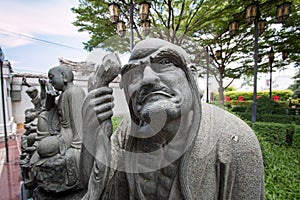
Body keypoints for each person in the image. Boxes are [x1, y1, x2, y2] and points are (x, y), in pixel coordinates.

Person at [81, 38, 265, 199]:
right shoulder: (128, 131)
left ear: (191, 76)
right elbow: (96, 185)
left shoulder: (234, 140)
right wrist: (93, 128)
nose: (147, 79)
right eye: (134, 73)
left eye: (164, 63)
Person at [29, 65, 86, 193]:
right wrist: (50, 96)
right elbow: (48, 109)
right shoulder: (63, 94)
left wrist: (76, 148)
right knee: (43, 117)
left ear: (63, 76)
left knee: (42, 148)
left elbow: (78, 124)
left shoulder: (74, 92)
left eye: (51, 78)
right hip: (61, 132)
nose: (50, 82)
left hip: (69, 137)